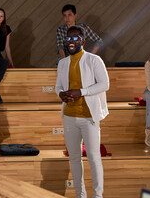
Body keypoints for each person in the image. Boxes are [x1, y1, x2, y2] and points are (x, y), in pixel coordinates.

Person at [55, 26, 109, 198]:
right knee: (74, 158)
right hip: (70, 117)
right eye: (68, 39)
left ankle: (98, 195)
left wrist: (81, 91)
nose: (71, 42)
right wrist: (61, 94)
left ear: (83, 41)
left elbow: (104, 84)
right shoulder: (62, 63)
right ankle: (80, 195)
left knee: (94, 158)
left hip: (89, 117)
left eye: (75, 38)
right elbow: (58, 87)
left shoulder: (94, 60)